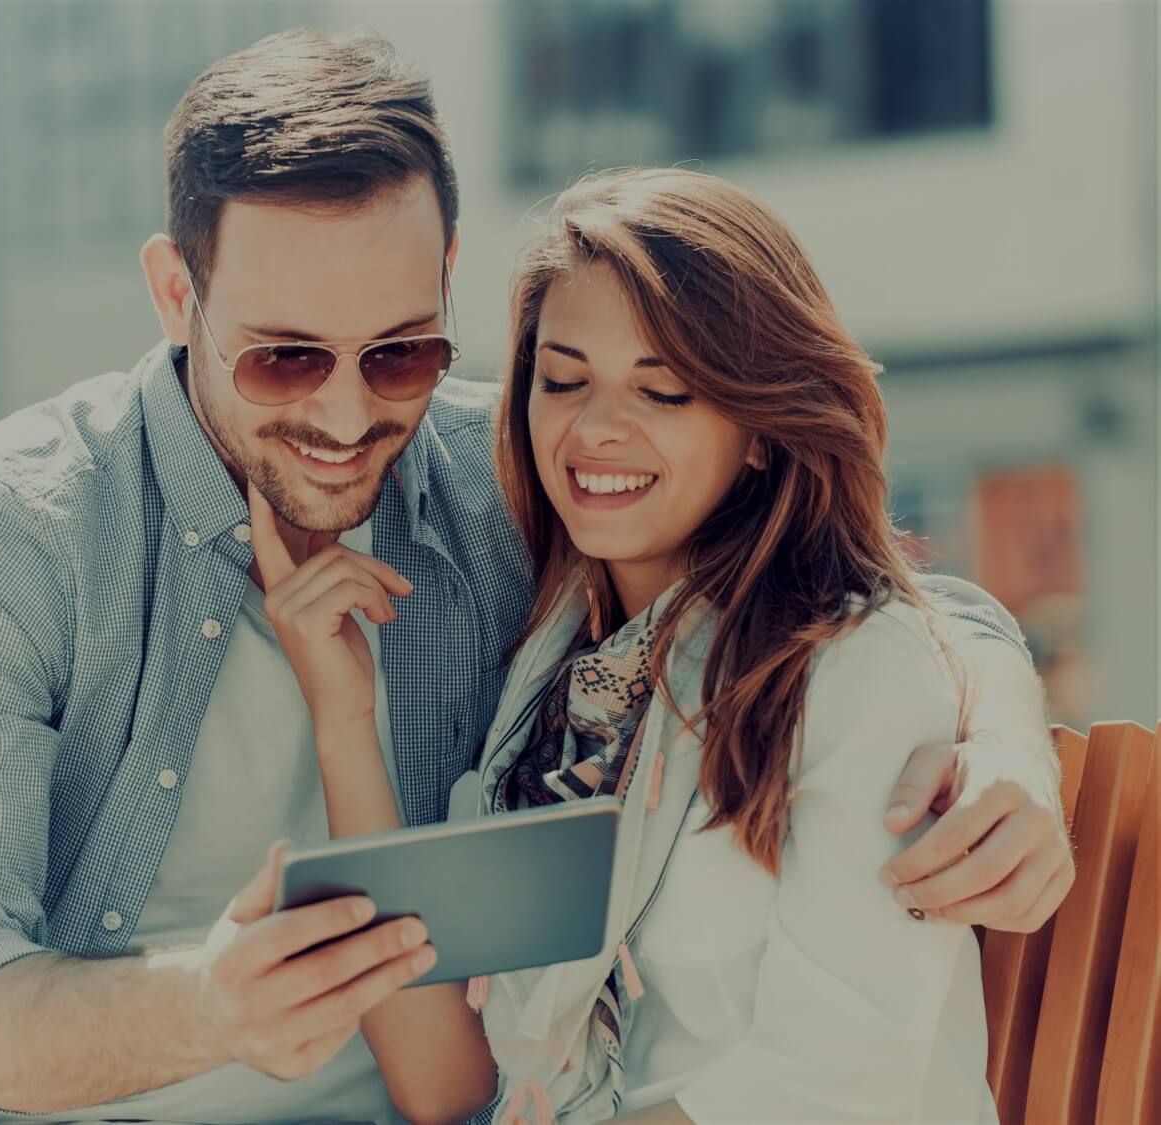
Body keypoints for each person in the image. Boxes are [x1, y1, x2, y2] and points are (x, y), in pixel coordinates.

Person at [0, 31, 1071, 1125]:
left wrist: (1008, 742)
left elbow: (822, 582)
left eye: (397, 354)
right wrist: (213, 1001)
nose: (346, 417)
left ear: (446, 282)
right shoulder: (5, 540)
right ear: (175, 292)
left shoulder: (513, 477)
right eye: (284, 359)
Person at [253, 168, 1051, 1123]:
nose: (597, 429)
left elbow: (839, 1074)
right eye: (563, 378)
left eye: (664, 390)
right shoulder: (557, 698)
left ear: (759, 428)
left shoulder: (854, 669)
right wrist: (344, 718)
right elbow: (448, 1083)